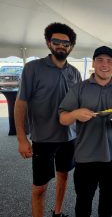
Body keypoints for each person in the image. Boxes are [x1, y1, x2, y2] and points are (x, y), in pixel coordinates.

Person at [59, 46, 112, 217]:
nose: (104, 64)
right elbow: (63, 118)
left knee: (107, 199)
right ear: (93, 63)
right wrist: (75, 113)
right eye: (100, 60)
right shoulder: (79, 88)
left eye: (109, 61)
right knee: (83, 202)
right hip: (86, 157)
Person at [14, 22, 82, 217]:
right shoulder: (32, 68)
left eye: (66, 43)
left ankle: (58, 212)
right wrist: (21, 138)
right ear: (48, 42)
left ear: (71, 47)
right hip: (43, 139)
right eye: (57, 41)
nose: (61, 46)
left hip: (69, 138)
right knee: (40, 187)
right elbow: (21, 104)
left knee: (64, 176)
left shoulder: (74, 73)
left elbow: (77, 105)